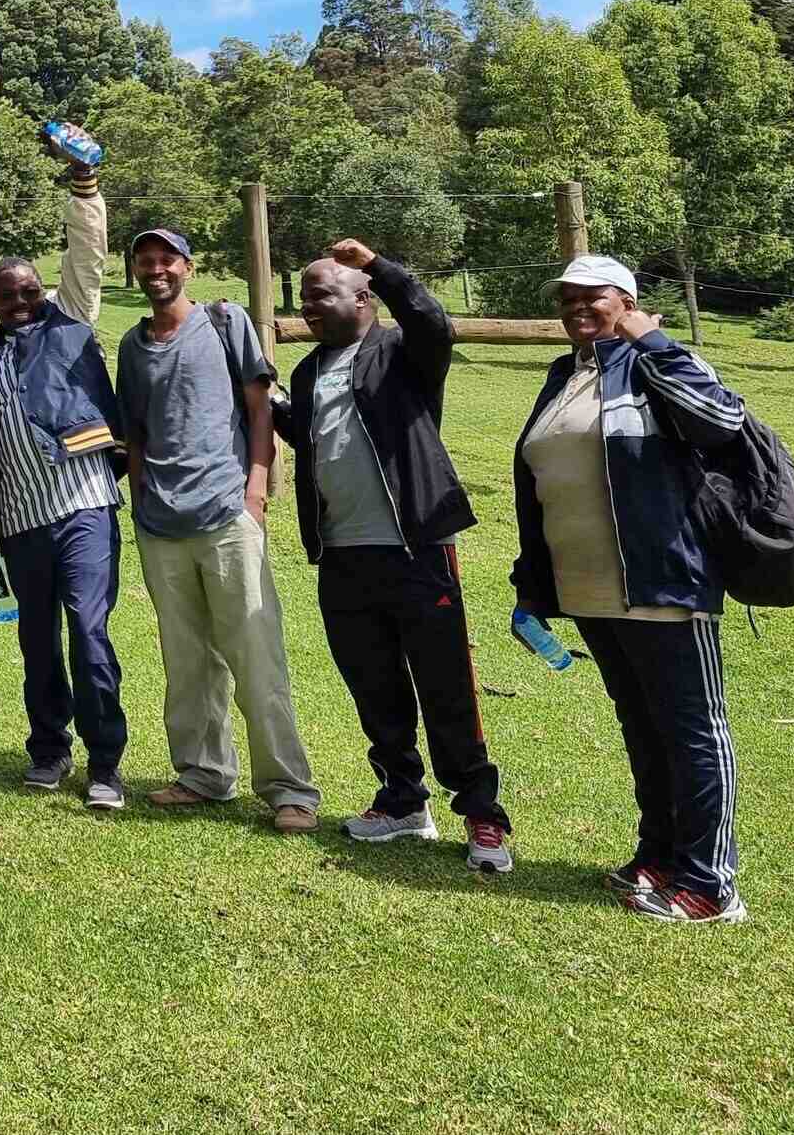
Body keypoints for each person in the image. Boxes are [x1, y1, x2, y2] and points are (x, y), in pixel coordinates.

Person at [514, 253, 752, 924]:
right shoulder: (566, 373)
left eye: (591, 297)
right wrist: (532, 587)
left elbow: (722, 418)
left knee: (691, 731)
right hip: (589, 588)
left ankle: (710, 883)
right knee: (643, 728)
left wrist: (651, 338)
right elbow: (538, 483)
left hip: (663, 582)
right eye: (566, 300)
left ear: (626, 299)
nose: (575, 309)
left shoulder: (652, 362)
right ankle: (658, 856)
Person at [276, 239, 513, 873]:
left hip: (416, 549)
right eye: (303, 298)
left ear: (363, 298)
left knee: (445, 685)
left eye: (321, 294)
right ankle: (403, 800)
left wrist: (378, 263)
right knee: (373, 684)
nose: (309, 307)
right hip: (343, 556)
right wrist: (267, 399)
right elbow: (309, 435)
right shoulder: (310, 369)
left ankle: (482, 815)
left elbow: (433, 319)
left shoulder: (406, 353)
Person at [116, 227, 320, 832]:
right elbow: (136, 429)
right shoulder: (133, 344)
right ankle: (204, 773)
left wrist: (256, 487)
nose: (157, 270)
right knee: (186, 659)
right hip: (160, 523)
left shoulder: (226, 322)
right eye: (145, 261)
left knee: (255, 654)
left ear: (188, 266)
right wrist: (140, 492)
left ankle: (289, 789)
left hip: (227, 511)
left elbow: (259, 409)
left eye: (167, 259)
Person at [0, 145, 129, 812]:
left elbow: (85, 252)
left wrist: (83, 183)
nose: (23, 300)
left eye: (30, 290)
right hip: (21, 525)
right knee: (37, 642)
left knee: (88, 632)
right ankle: (48, 750)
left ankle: (105, 764)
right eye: (9, 294)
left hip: (86, 509)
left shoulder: (72, 322)